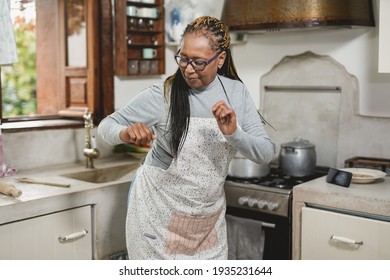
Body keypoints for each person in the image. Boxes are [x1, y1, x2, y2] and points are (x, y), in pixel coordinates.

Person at [98, 16, 275, 260]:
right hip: (156, 213)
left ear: (220, 59)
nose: (188, 69)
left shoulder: (236, 93)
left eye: (199, 62)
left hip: (205, 219)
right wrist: (124, 133)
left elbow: (266, 152)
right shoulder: (163, 94)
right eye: (183, 58)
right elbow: (106, 125)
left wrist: (234, 133)